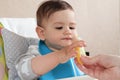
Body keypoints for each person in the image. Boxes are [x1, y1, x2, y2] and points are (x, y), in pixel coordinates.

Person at [15, 0, 86, 80]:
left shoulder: (76, 51)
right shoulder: (36, 50)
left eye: (71, 27)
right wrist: (59, 56)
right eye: (59, 27)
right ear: (42, 33)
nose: (68, 31)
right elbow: (24, 72)